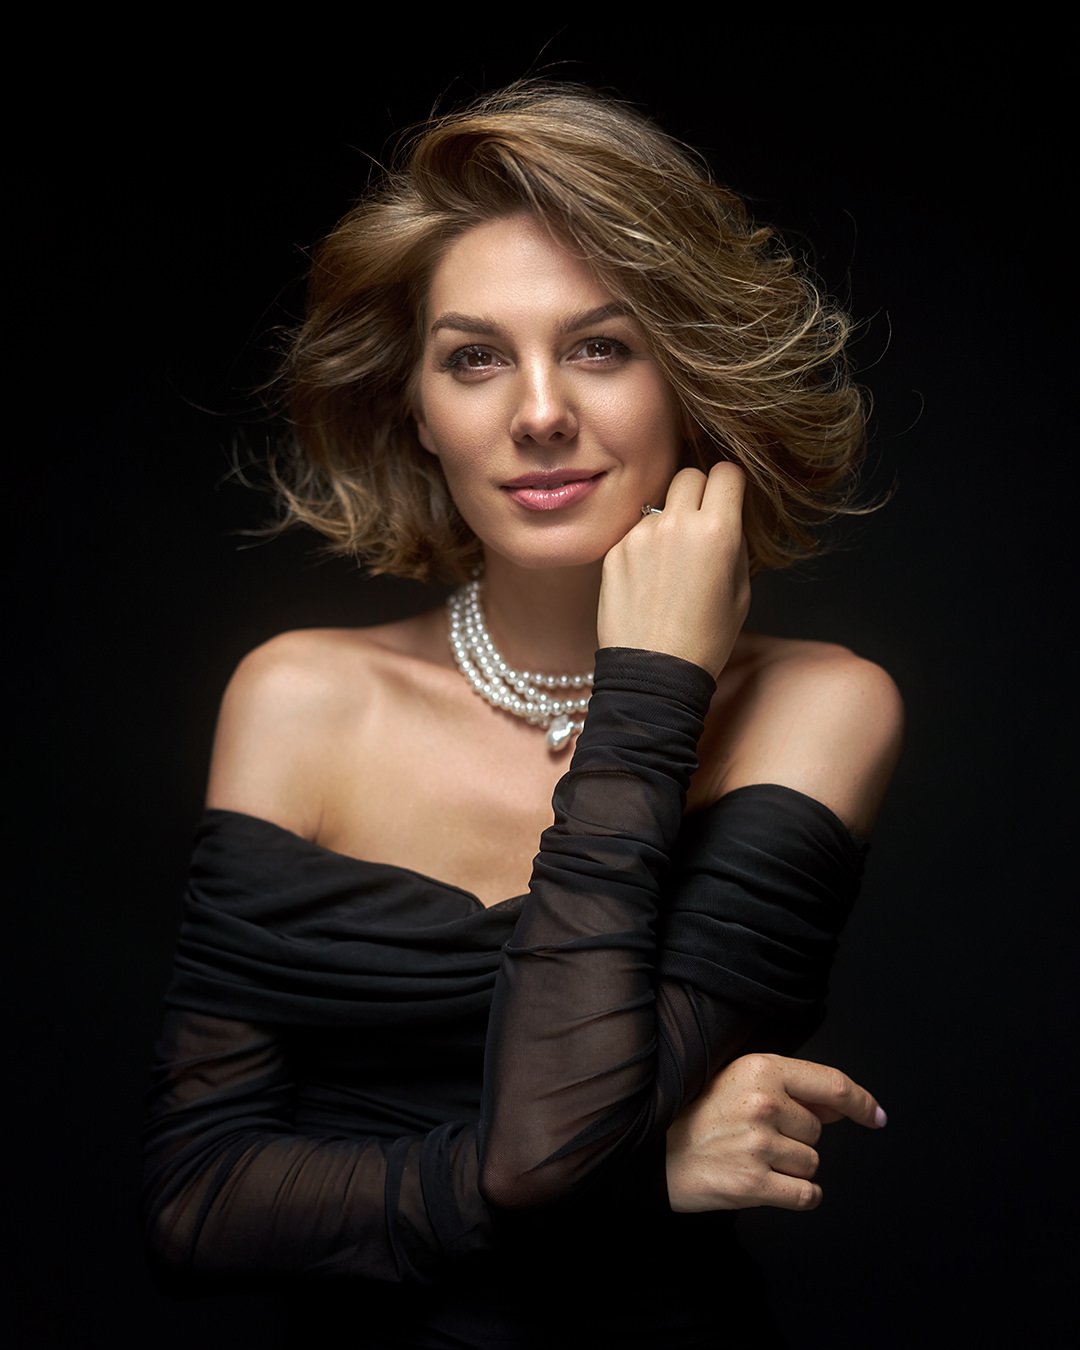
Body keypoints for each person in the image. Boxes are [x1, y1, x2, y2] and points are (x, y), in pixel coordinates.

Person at [142, 82, 903, 1348]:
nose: (539, 412)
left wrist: (650, 685)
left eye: (601, 347)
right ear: (418, 408)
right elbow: (196, 1206)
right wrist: (648, 1177)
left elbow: (549, 1145)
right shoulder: (299, 699)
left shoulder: (819, 708)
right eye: (475, 357)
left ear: (688, 379)